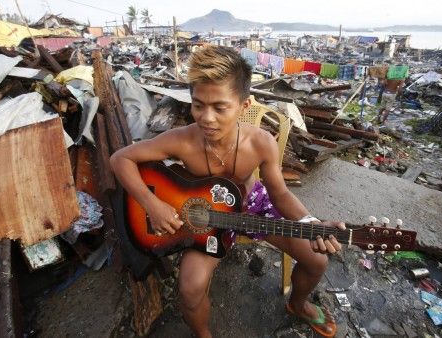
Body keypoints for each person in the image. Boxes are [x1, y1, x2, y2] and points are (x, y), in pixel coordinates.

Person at [110, 45, 346, 338]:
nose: (206, 118)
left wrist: (310, 223)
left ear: (243, 107)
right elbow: (120, 158)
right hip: (205, 220)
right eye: (198, 105)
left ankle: (298, 304)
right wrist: (152, 203)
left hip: (253, 209)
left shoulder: (261, 143)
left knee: (317, 259)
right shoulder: (182, 140)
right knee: (190, 288)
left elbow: (280, 194)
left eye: (220, 107)